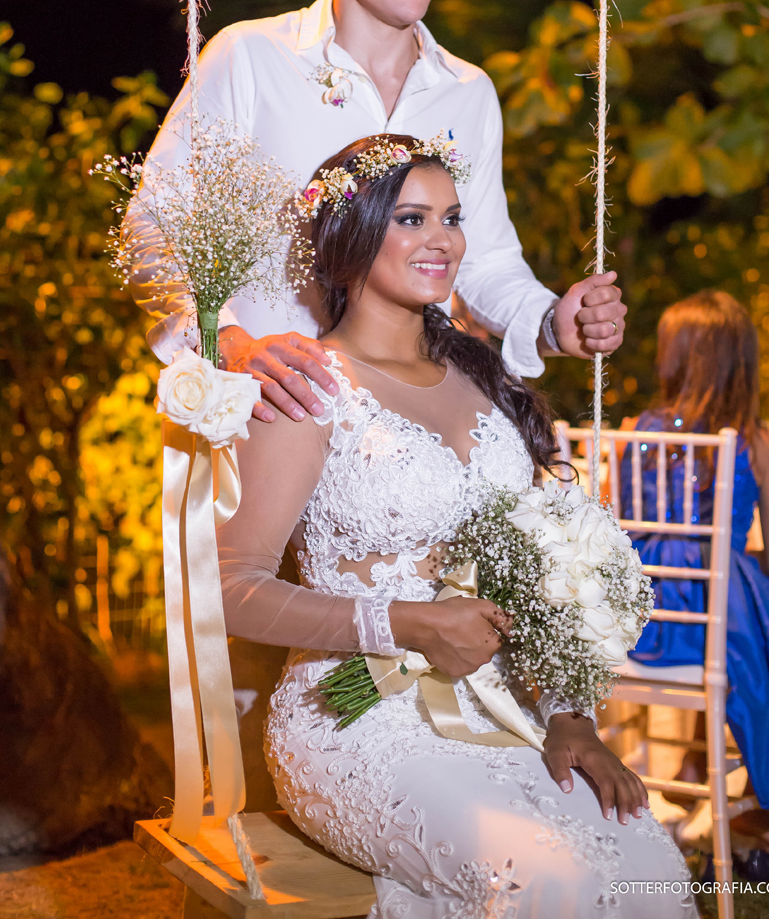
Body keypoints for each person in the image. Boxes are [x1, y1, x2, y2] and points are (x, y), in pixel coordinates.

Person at [216, 134, 692, 918]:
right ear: (350, 235)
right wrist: (408, 621)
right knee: (550, 879)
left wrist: (570, 716)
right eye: (409, 218)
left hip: (508, 707)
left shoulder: (481, 377)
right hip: (357, 717)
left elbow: (540, 561)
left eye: (451, 217)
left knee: (653, 869)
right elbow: (233, 590)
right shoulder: (308, 385)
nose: (440, 239)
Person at [124, 0, 626, 421]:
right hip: (262, 416)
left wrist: (548, 321)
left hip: (399, 438)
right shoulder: (251, 58)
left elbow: (484, 261)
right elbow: (154, 224)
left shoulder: (467, 93)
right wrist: (225, 344)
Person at [619, 292, 769, 851]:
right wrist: (752, 568)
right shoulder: (759, 441)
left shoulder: (634, 430)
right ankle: (754, 808)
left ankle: (697, 787)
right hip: (714, 624)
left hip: (641, 618)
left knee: (752, 610)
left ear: (675, 357)